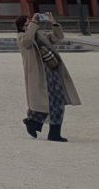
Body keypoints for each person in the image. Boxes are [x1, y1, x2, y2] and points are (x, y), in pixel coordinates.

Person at [18, 12, 80, 141]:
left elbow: (58, 37)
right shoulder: (21, 37)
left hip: (53, 70)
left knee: (58, 101)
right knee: (43, 102)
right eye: (27, 23)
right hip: (39, 76)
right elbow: (27, 41)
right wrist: (33, 23)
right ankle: (34, 122)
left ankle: (53, 132)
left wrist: (53, 22)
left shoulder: (41, 35)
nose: (31, 25)